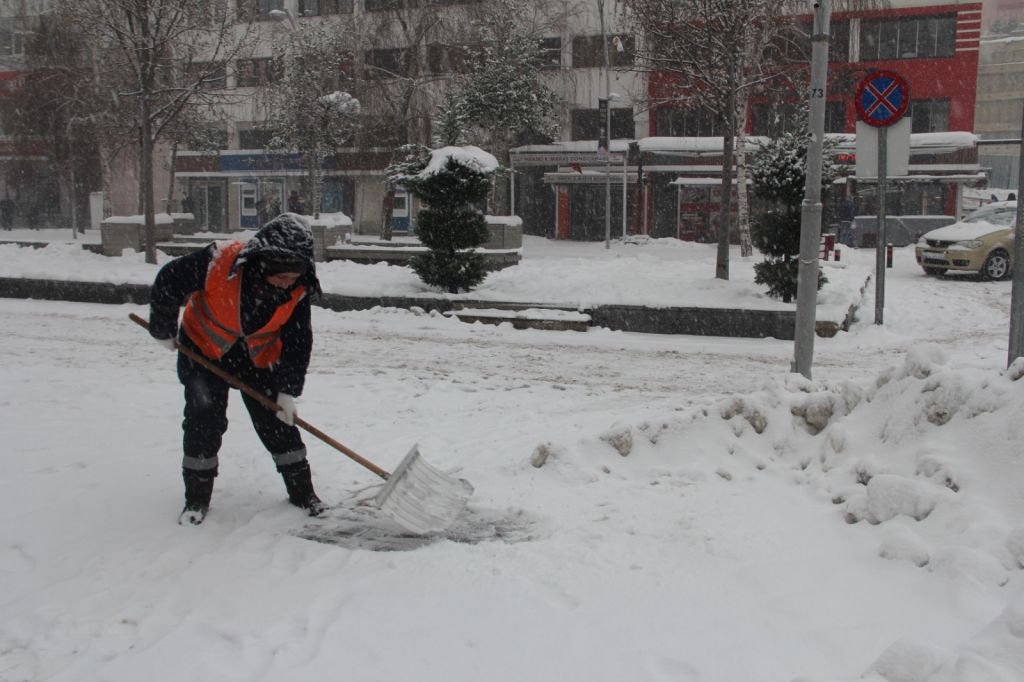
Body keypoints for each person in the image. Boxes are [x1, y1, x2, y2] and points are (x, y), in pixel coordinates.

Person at [147, 213, 327, 525]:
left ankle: (303, 493)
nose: (287, 283)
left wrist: (287, 390)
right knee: (204, 420)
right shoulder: (219, 261)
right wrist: (163, 327)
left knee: (278, 424)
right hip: (203, 351)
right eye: (281, 276)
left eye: (293, 277)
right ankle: (196, 499)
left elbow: (298, 342)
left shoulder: (298, 289)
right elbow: (170, 280)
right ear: (263, 263)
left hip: (257, 359)